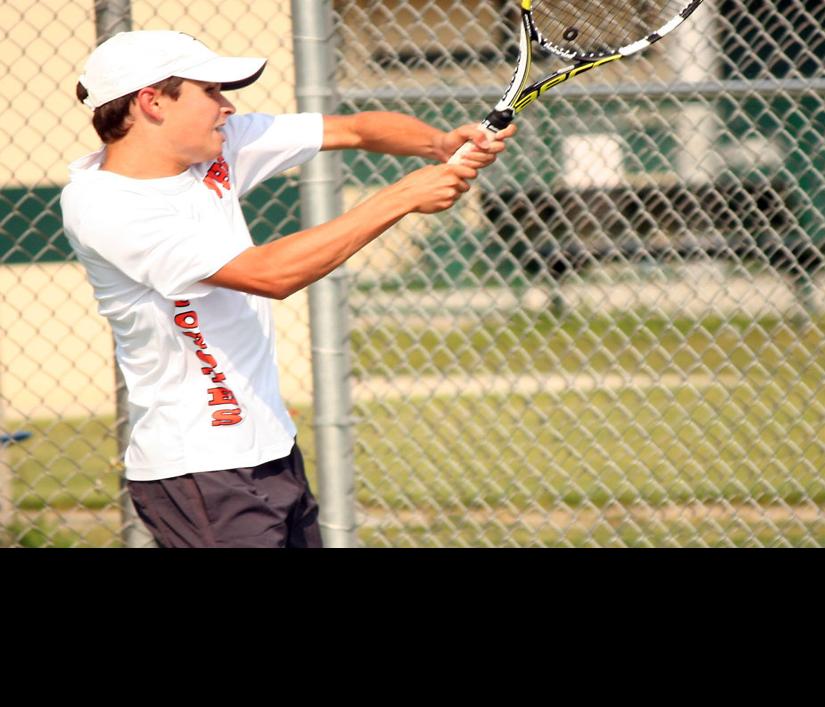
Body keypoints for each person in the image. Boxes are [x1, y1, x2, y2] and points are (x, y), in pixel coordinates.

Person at [60, 30, 516, 548]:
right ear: (153, 102)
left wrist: (436, 144)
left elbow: (355, 129)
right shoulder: (106, 206)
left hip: (271, 453)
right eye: (210, 92)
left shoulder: (215, 151)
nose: (227, 107)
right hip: (201, 470)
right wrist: (403, 196)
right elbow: (268, 274)